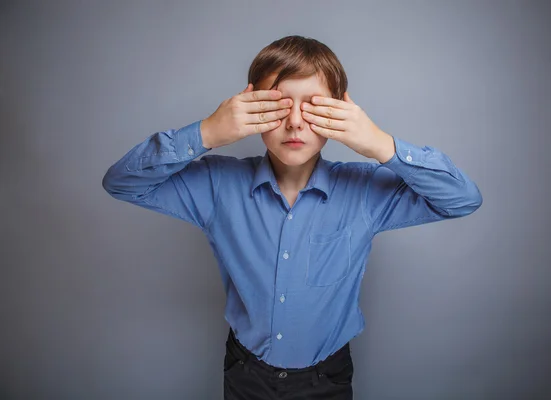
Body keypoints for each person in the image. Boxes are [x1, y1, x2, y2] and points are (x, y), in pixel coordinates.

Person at [102, 35, 483, 399]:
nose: (296, 122)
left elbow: (461, 199)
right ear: (250, 106)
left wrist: (379, 143)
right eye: (280, 106)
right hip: (245, 373)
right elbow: (122, 182)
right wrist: (206, 132)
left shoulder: (365, 192)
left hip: (326, 377)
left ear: (340, 112)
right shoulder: (217, 185)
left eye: (314, 107)